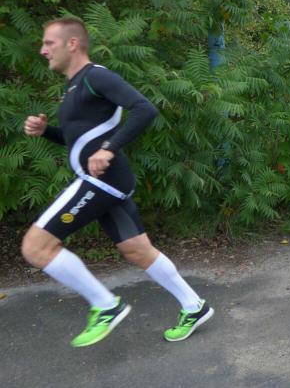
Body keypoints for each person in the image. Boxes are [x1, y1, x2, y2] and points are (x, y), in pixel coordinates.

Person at [21, 18, 213, 347]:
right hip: (107, 181)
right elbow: (78, 140)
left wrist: (109, 148)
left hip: (101, 181)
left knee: (35, 247)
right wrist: (46, 132)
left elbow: (144, 109)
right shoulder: (74, 86)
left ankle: (105, 305)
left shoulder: (95, 76)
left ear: (72, 44)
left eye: (49, 43)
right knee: (137, 250)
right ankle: (194, 307)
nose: (42, 50)